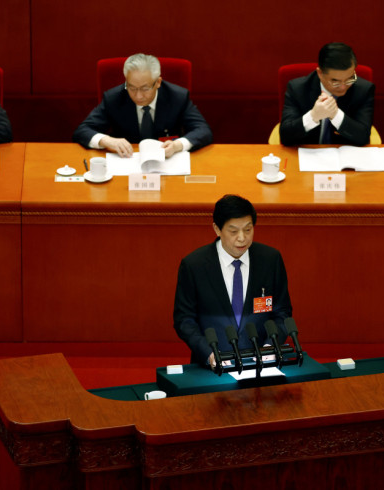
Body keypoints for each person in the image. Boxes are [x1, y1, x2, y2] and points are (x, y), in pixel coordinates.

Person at [173, 195, 292, 367]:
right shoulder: (194, 265)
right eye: (234, 231)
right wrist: (209, 353)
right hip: (213, 366)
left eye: (248, 229)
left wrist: (270, 346)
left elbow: (282, 312)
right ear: (217, 229)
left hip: (263, 363)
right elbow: (184, 320)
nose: (242, 238)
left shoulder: (270, 260)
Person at [73, 53, 213, 158]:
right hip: (126, 161)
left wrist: (177, 145)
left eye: (145, 89)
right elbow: (82, 130)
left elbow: (203, 131)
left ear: (158, 82)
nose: (138, 96)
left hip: (167, 163)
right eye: (132, 88)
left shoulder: (177, 97)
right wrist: (107, 140)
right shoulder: (114, 98)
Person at [280, 42, 375, 146]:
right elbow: (285, 137)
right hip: (308, 154)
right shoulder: (297, 89)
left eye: (350, 79)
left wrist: (336, 115)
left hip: (346, 157)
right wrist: (313, 116)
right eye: (335, 81)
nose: (343, 87)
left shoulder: (363, 90)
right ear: (320, 73)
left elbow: (363, 138)